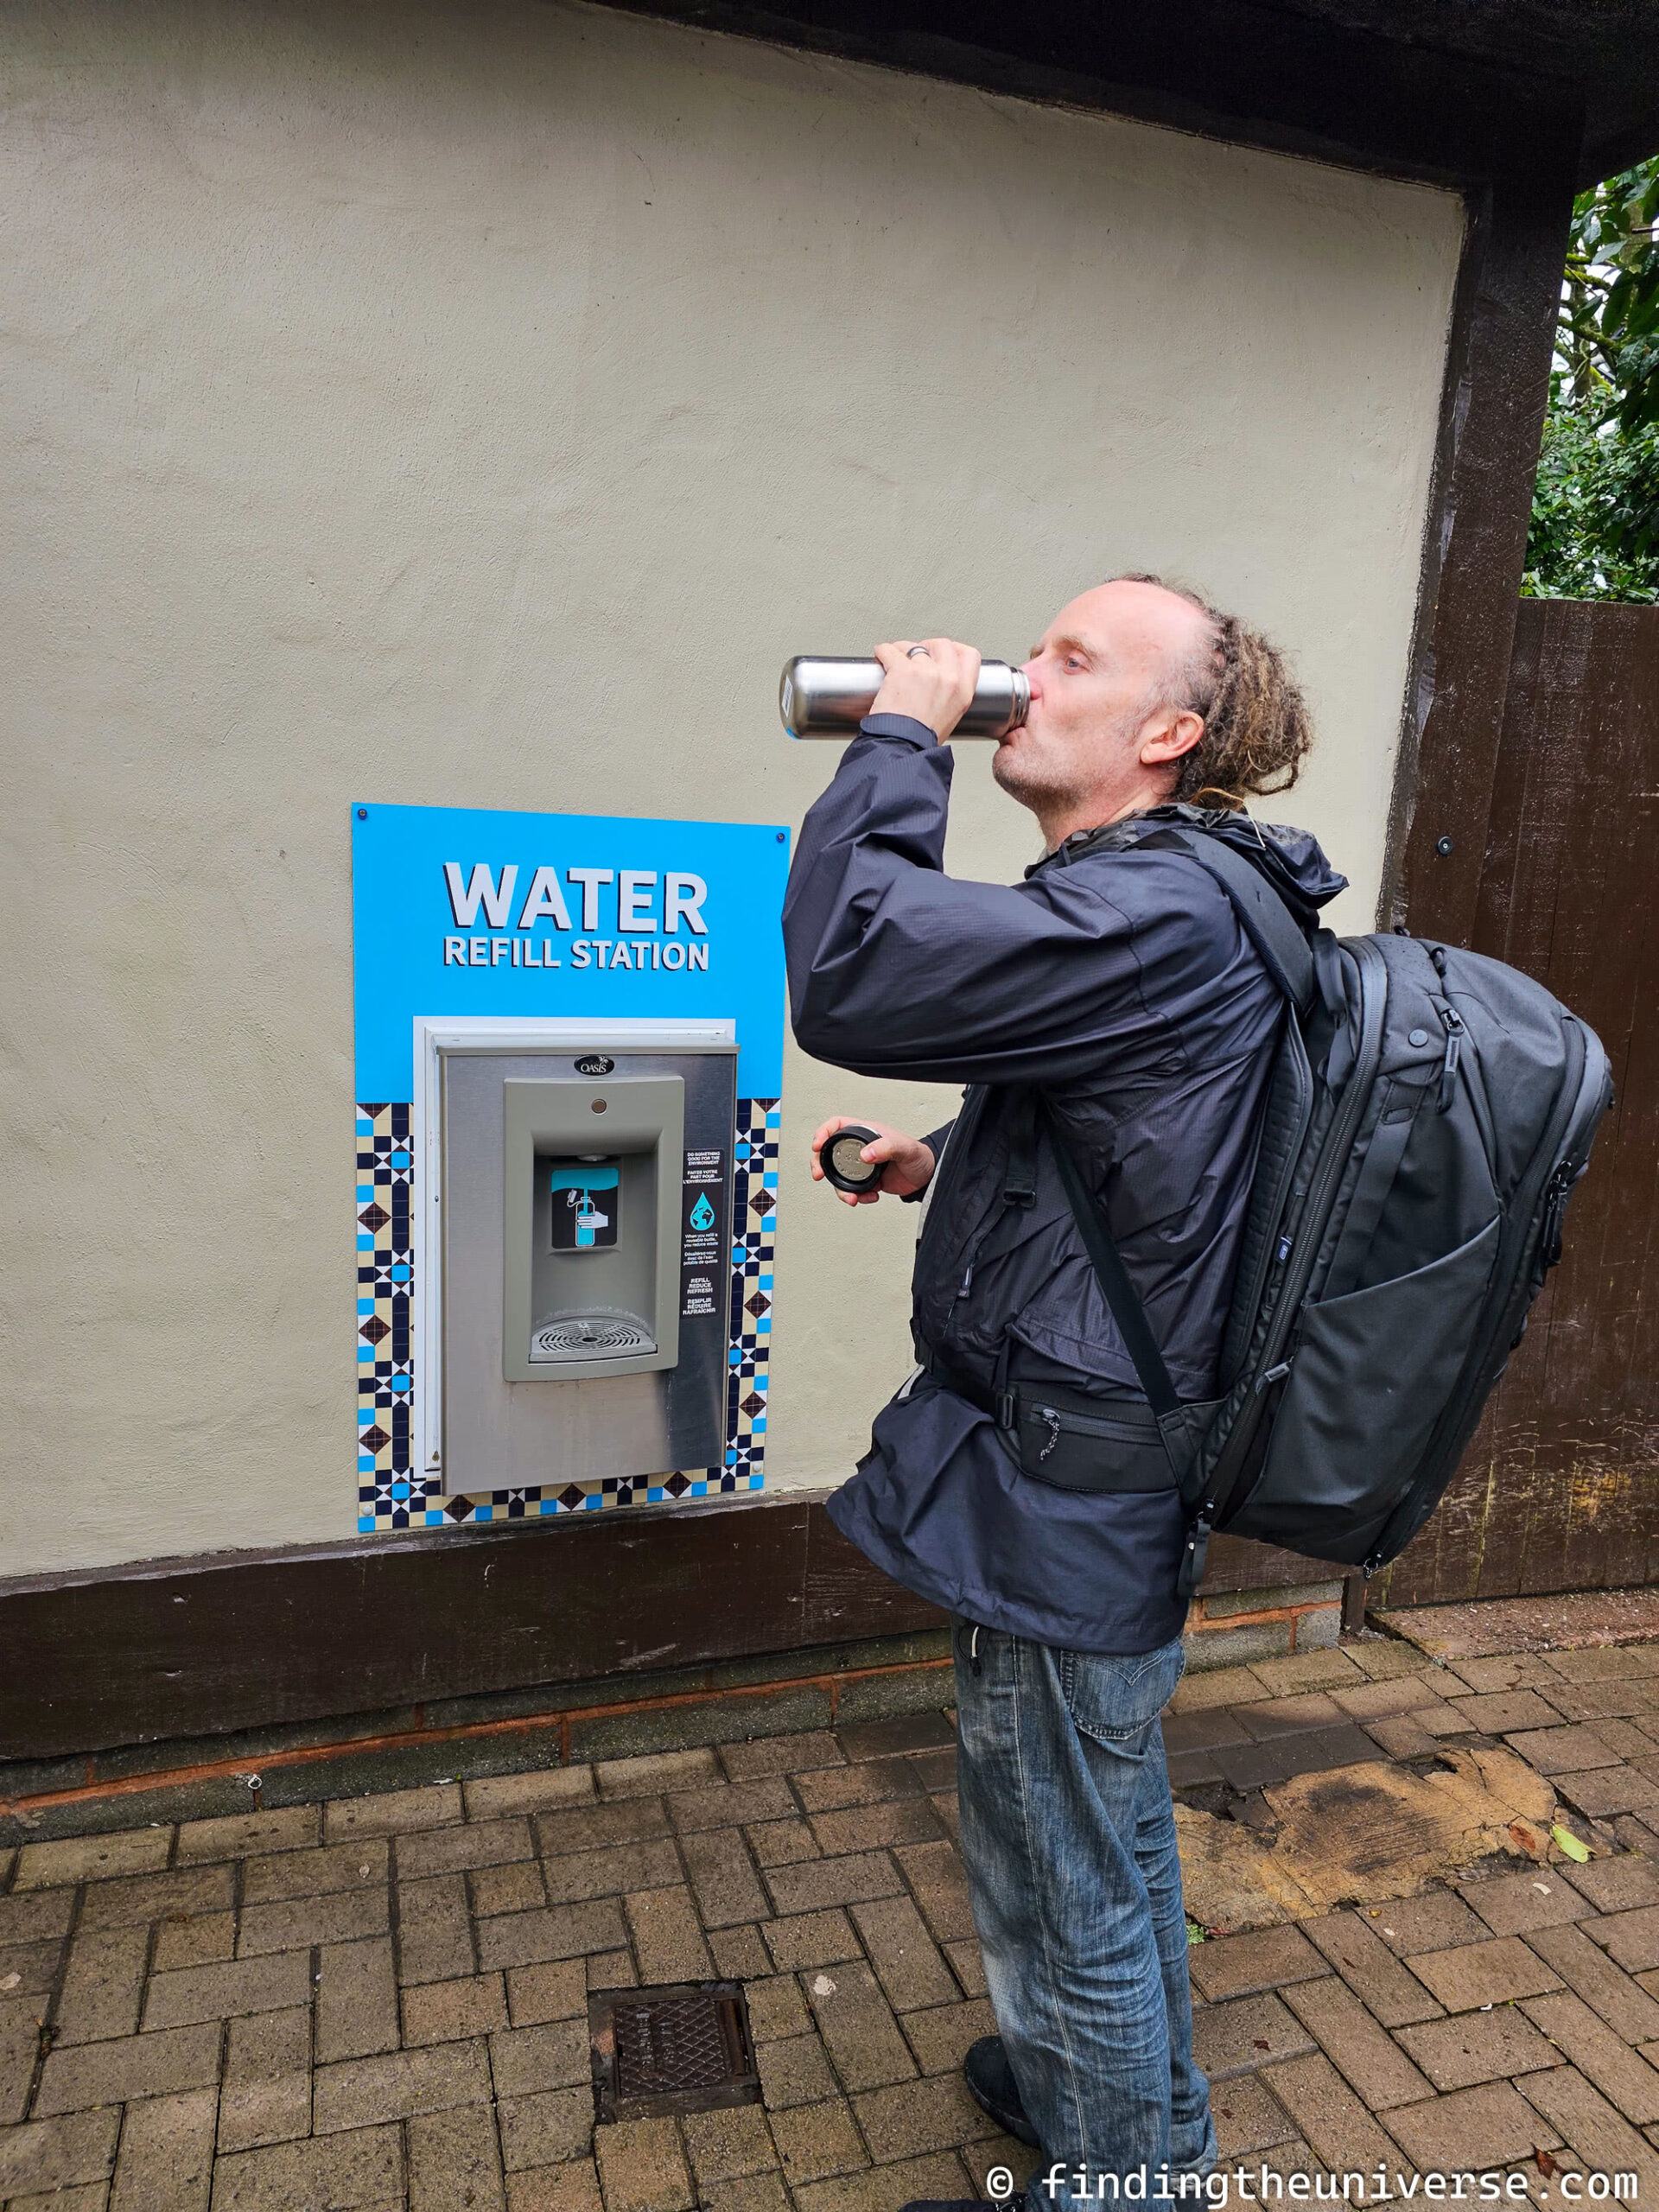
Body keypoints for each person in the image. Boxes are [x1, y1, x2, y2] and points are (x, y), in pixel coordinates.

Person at [780, 576, 1348, 2212]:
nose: (1021, 675)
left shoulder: (1161, 903)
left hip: (1071, 1482)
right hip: (1089, 1459)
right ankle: (1105, 2103)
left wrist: (900, 738)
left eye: (1074, 659)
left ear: (1168, 734)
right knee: (1101, 1827)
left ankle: (1129, 2178)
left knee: (1058, 1867)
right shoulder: (1185, 899)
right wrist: (939, 1159)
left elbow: (858, 970)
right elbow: (1163, 1142)